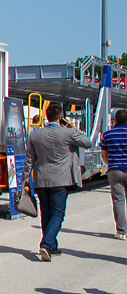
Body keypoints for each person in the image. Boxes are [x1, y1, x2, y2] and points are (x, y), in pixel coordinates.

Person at [26, 103, 93, 261]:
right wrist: (73, 127)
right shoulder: (68, 133)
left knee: (46, 214)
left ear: (46, 116)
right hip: (60, 179)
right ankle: (46, 243)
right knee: (57, 214)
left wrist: (24, 181)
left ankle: (52, 247)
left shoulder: (35, 135)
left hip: (41, 179)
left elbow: (29, 160)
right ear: (61, 116)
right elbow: (88, 142)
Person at [100, 108, 127, 240]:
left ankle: (121, 231)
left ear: (115, 120)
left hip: (115, 170)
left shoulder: (107, 134)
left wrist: (111, 163)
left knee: (118, 200)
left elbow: (104, 155)